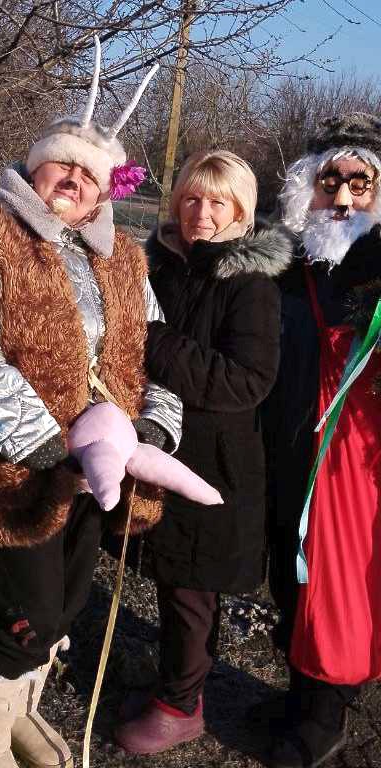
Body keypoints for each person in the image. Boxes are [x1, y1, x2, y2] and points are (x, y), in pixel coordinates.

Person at [0, 38, 182, 768]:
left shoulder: (124, 257)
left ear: (107, 191)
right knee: (25, 614)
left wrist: (156, 426)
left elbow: (156, 350)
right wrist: (39, 438)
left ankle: (21, 715)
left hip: (101, 466)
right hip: (19, 464)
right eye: (62, 164)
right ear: (34, 168)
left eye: (90, 173)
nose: (75, 179)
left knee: (65, 606)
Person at [113, 149, 294, 755]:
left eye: (218, 201)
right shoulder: (162, 266)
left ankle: (181, 704)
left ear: (241, 210)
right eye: (192, 197)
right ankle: (173, 681)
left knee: (193, 585)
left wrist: (154, 341)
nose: (202, 213)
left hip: (215, 458)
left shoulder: (251, 286)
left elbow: (246, 380)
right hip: (160, 443)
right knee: (168, 576)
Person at [262, 113, 381, 768]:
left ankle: (326, 715)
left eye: (359, 184)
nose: (342, 198)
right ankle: (299, 694)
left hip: (352, 459)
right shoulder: (288, 261)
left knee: (335, 583)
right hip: (286, 440)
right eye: (330, 181)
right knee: (290, 570)